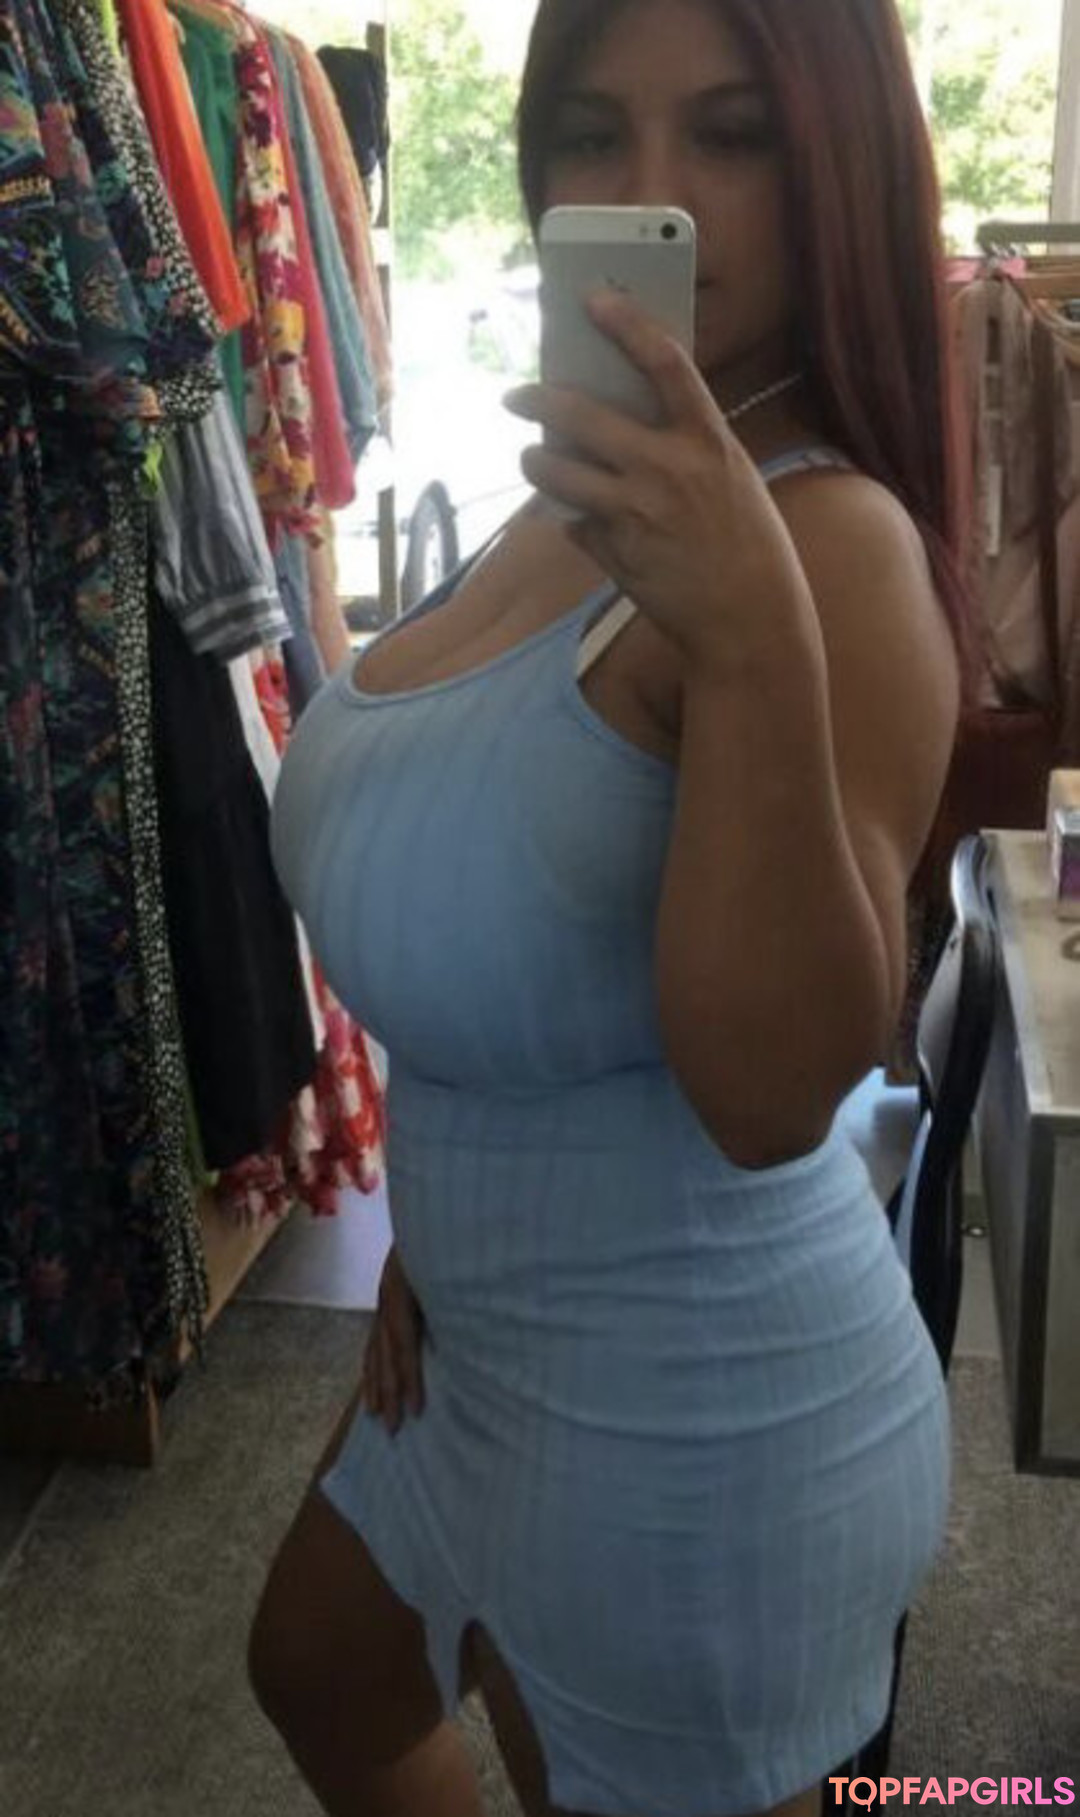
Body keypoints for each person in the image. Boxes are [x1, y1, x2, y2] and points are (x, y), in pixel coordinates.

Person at [251, 2, 968, 1814]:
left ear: (837, 169)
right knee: (317, 1667)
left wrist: (753, 638)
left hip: (701, 1423)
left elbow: (771, 1093)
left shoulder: (828, 547)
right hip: (474, 1342)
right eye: (592, 134)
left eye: (731, 134)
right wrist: (445, 1215)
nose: (659, 191)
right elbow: (506, 908)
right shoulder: (579, 490)